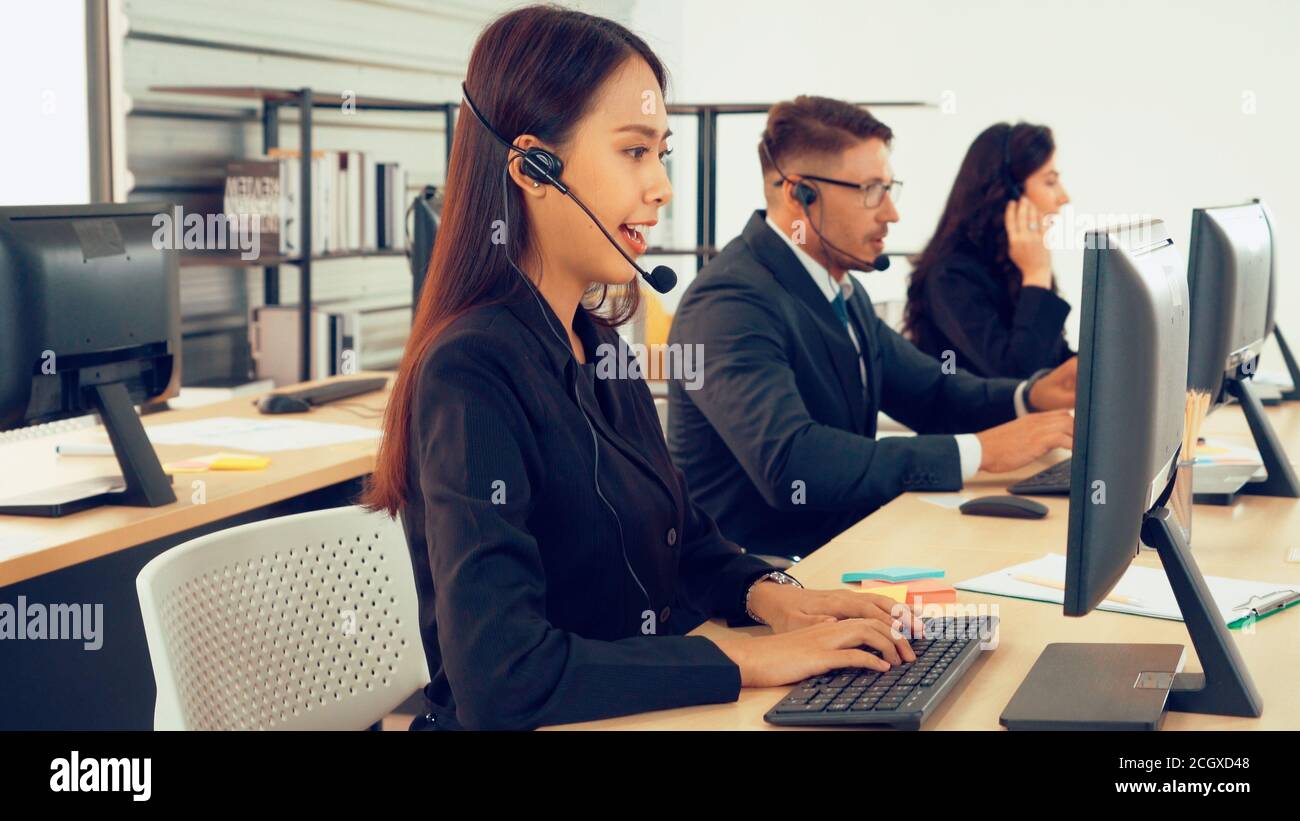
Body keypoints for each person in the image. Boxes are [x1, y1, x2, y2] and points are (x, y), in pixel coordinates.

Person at [363, 7, 921, 732]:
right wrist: (747, 662)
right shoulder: (470, 370)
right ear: (533, 168)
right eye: (634, 152)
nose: (660, 187)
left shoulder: (596, 346)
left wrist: (773, 595)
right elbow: (502, 677)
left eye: (663, 153)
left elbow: (680, 534)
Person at [667, 96, 1076, 560]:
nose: (891, 214)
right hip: (760, 582)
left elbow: (932, 394)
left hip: (841, 550)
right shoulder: (729, 302)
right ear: (799, 194)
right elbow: (791, 463)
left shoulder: (839, 287)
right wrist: (977, 453)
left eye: (888, 189)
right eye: (870, 191)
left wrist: (1031, 395)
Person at [904, 122, 1074, 378]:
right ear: (1010, 195)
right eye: (1050, 182)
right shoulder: (950, 276)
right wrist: (1037, 275)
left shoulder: (1014, 266)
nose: (1064, 197)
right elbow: (1019, 379)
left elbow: (1054, 361)